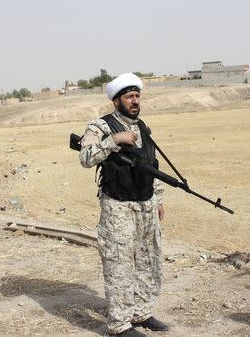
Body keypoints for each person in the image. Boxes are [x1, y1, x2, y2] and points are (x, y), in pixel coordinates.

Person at [79, 73, 168, 336]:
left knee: (147, 261)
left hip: (145, 205)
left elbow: (151, 166)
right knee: (119, 265)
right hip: (118, 207)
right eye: (129, 97)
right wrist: (115, 141)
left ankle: (141, 313)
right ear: (117, 100)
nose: (135, 101)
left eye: (137, 96)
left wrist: (158, 198)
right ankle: (119, 325)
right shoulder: (101, 126)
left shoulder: (143, 127)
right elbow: (85, 157)